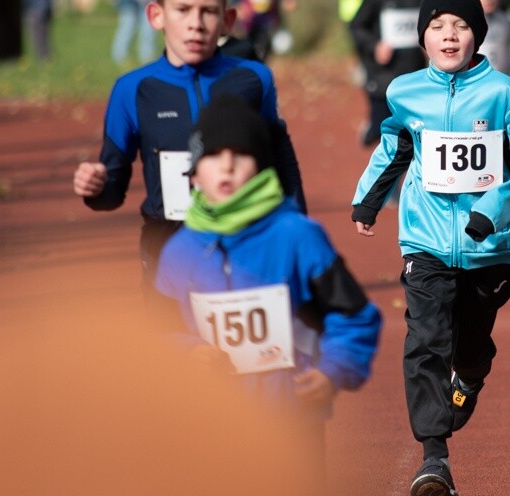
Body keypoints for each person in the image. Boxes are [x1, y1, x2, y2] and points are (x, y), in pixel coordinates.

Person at [351, 0, 510, 496]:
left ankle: (472, 374)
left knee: (470, 343)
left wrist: (492, 210)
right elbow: (394, 148)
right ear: (423, 37)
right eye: (437, 26)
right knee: (425, 341)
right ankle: (434, 459)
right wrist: (368, 200)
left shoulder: (502, 92)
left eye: (461, 26)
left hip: (493, 246)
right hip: (425, 240)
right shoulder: (404, 91)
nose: (448, 35)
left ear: (477, 36)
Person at [155, 94, 381, 476]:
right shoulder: (178, 251)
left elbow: (355, 316)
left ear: (262, 168)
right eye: (212, 155)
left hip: (291, 420)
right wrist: (186, 353)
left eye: (241, 154)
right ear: (193, 172)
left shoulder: (298, 236)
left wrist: (333, 371)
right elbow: (156, 333)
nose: (226, 165)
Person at [72, 0, 306, 300]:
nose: (195, 23)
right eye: (182, 10)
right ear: (156, 15)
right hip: (168, 256)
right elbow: (112, 191)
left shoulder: (254, 80)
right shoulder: (133, 90)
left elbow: (280, 162)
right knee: (170, 354)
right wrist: (96, 186)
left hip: (246, 250)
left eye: (208, 12)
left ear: (227, 20)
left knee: (256, 355)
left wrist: (296, 232)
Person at [349, 0, 430, 146]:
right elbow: (357, 26)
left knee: (412, 139)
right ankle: (371, 129)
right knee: (379, 135)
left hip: (415, 76)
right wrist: (375, 46)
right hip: (382, 78)